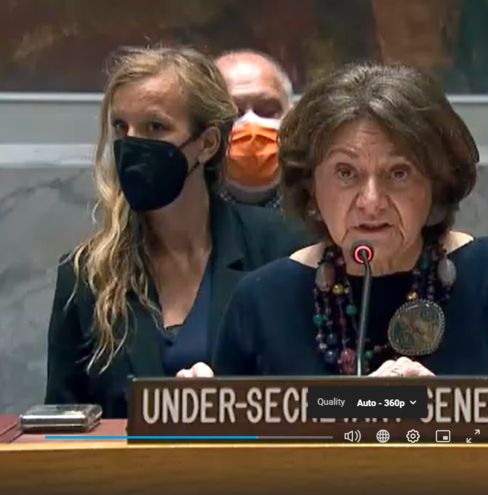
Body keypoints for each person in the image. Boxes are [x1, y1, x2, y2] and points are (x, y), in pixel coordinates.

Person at [178, 62, 488, 408]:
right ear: (311, 187)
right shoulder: (263, 299)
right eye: (346, 173)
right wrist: (200, 417)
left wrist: (446, 410)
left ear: (437, 184)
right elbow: (231, 460)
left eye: (398, 173)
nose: (371, 202)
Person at [45, 46, 311, 418]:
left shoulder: (284, 250)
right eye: (121, 127)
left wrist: (234, 401)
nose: (132, 143)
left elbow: (318, 396)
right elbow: (59, 425)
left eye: (155, 127)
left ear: (207, 143)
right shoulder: (86, 275)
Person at [215, 50, 293, 208]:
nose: (251, 126)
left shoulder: (323, 204)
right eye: (232, 114)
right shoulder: (179, 209)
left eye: (267, 112)